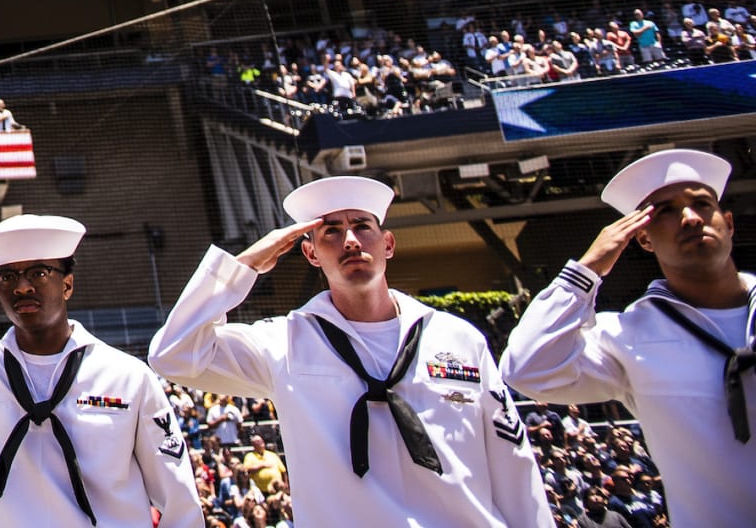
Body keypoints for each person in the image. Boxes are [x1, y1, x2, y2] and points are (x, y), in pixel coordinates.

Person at [149, 176, 549, 526]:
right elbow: (173, 353)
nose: (351, 241)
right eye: (331, 232)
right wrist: (243, 267)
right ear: (309, 253)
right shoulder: (284, 343)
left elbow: (513, 464)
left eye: (362, 226)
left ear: (388, 244)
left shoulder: (458, 339)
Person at [0, 215, 203, 527]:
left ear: (68, 285)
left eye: (39, 273)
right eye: (8, 276)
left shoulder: (126, 375)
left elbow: (178, 500)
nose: (22, 287)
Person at [499, 149, 756, 527]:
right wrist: (585, 272)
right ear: (643, 239)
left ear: (728, 223)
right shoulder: (626, 336)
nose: (689, 217)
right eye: (664, 211)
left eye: (702, 203)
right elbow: (527, 369)